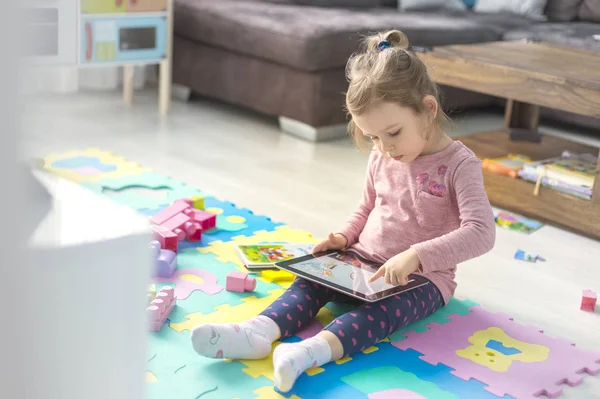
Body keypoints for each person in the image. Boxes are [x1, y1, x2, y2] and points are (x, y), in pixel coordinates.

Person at [190, 29, 496, 393]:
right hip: (360, 258)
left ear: (428, 110)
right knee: (309, 282)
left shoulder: (461, 165)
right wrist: (343, 237)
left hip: (423, 280)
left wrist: (415, 256)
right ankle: (259, 331)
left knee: (378, 316)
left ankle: (307, 353)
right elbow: (367, 206)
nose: (383, 147)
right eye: (373, 138)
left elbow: (481, 232)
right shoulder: (383, 155)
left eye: (393, 133)